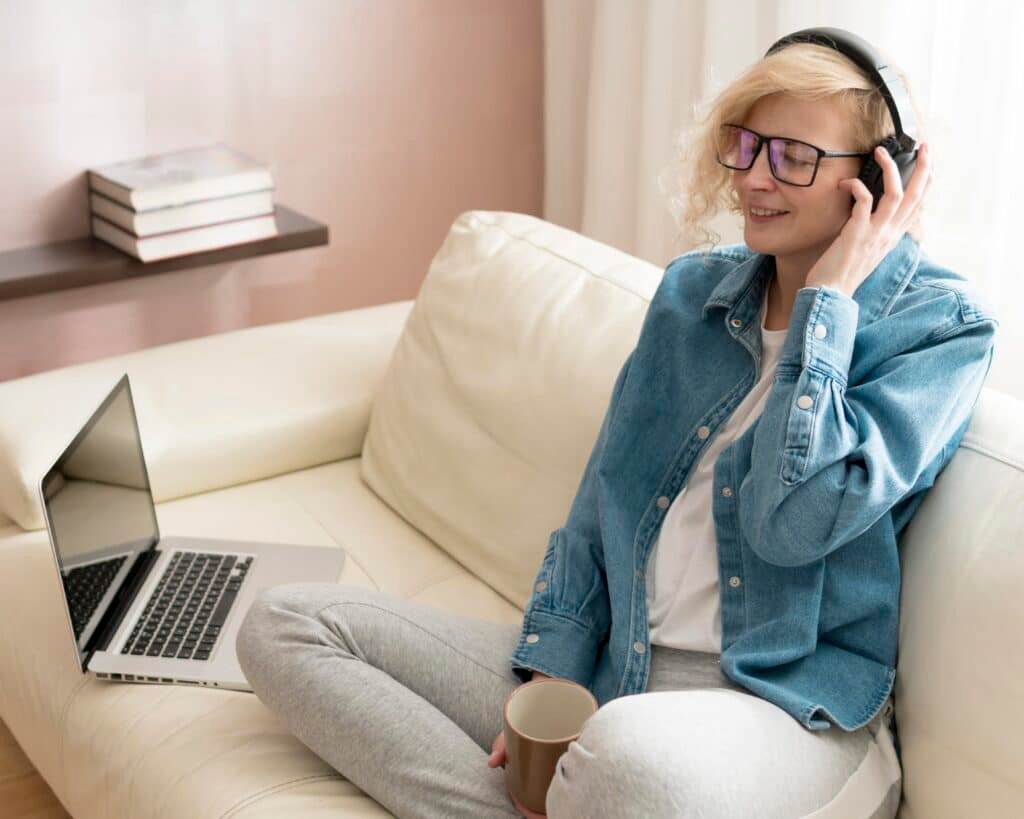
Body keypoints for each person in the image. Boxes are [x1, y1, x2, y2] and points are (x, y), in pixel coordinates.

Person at [234, 31, 998, 819]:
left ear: (879, 179)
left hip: (781, 710)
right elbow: (603, 504)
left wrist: (829, 304)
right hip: (620, 663)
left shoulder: (939, 330)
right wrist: (556, 665)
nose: (755, 179)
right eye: (746, 145)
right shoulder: (691, 296)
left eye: (794, 157)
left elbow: (793, 521)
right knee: (285, 625)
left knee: (624, 764)